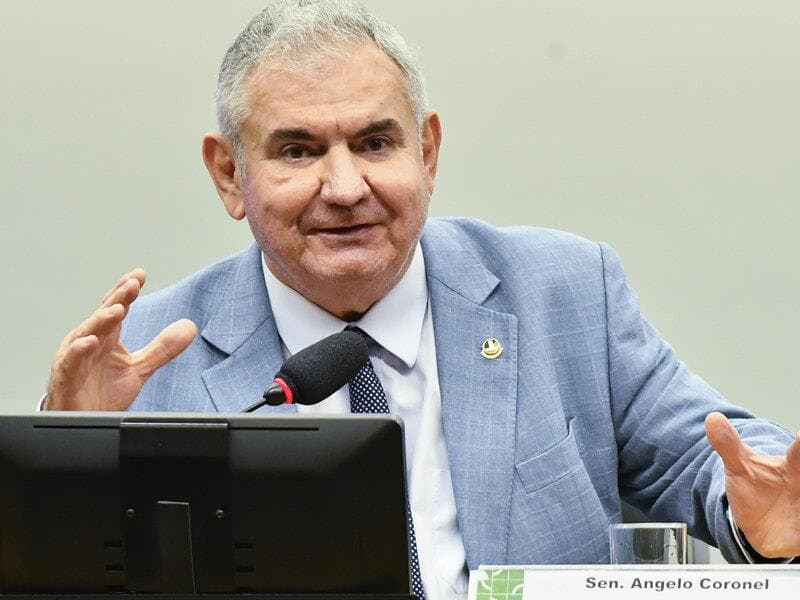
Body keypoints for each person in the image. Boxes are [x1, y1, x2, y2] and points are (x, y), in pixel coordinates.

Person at [45, 1, 800, 598]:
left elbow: (714, 458)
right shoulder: (149, 360)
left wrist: (769, 519)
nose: (346, 188)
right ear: (227, 175)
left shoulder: (565, 293)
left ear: (427, 152)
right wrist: (66, 454)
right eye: (298, 151)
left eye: (375, 144)